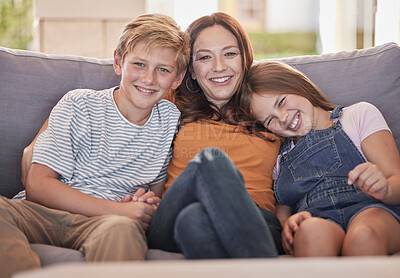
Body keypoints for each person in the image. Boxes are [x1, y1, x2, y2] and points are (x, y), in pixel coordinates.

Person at [0, 13, 190, 277]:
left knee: (123, 231)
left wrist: (143, 204)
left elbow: (155, 193)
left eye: (163, 70)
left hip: (109, 225)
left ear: (177, 78)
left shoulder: (170, 121)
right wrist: (119, 210)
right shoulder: (80, 104)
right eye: (139, 64)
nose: (148, 79)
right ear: (118, 62)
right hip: (42, 213)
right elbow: (38, 186)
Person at [144, 12, 284, 258]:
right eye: (205, 57)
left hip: (257, 220)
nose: (219, 67)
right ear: (192, 71)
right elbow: (116, 104)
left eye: (230, 54)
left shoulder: (270, 104)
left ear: (245, 59)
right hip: (170, 217)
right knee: (210, 161)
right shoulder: (171, 102)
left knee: (194, 220)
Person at [240, 60, 400, 256]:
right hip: (318, 219)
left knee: (362, 237)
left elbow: (396, 180)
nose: (282, 117)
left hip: (371, 209)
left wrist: (385, 187)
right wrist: (287, 226)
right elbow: (282, 213)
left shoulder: (358, 115)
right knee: (310, 233)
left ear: (298, 85)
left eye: (281, 102)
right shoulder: (281, 157)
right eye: (270, 120)